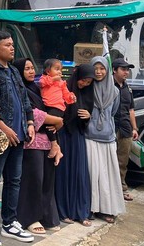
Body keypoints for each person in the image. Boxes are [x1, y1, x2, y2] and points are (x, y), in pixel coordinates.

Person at [0, 31, 36, 244]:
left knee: (15, 181)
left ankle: (10, 222)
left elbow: (25, 100)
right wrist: (3, 127)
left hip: (19, 136)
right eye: (7, 45)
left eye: (12, 44)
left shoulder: (13, 71)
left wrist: (29, 123)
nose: (12, 48)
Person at [13, 58, 64, 235]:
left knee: (47, 181)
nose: (30, 71)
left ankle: (46, 215)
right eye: (26, 68)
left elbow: (51, 108)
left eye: (32, 68)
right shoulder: (20, 89)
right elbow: (32, 113)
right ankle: (29, 218)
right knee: (33, 180)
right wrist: (56, 120)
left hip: (48, 140)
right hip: (31, 141)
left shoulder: (38, 88)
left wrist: (56, 134)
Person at [84, 56, 125, 224]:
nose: (99, 72)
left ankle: (106, 208)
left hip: (107, 138)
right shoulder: (87, 87)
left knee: (107, 176)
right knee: (92, 174)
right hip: (89, 136)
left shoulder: (114, 91)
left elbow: (113, 113)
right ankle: (90, 208)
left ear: (107, 70)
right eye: (96, 68)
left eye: (102, 68)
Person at [55, 64, 95, 226]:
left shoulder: (88, 93)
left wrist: (88, 116)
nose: (84, 84)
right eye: (83, 80)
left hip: (78, 135)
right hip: (63, 135)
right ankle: (63, 212)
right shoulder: (65, 88)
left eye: (88, 82)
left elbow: (87, 111)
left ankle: (81, 211)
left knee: (79, 174)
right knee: (63, 174)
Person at [111, 58, 139, 201]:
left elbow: (131, 110)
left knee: (123, 160)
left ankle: (121, 188)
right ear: (114, 70)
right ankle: (110, 189)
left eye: (127, 69)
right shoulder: (108, 86)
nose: (126, 72)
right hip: (111, 128)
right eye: (123, 69)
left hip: (126, 128)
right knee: (110, 160)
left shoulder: (128, 88)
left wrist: (135, 128)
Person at [39, 58, 75, 160]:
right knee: (49, 127)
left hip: (57, 107)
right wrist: (53, 79)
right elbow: (41, 83)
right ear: (48, 71)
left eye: (61, 69)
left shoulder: (62, 83)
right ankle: (58, 150)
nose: (59, 72)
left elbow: (66, 94)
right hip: (47, 106)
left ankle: (54, 146)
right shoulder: (44, 78)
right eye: (57, 69)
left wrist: (71, 97)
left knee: (48, 125)